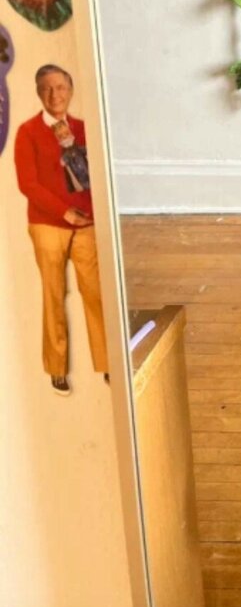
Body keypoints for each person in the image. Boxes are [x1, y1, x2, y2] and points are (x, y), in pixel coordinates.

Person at [14, 64, 108, 395]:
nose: (55, 95)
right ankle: (56, 368)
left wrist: (90, 214)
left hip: (87, 223)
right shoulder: (27, 132)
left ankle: (108, 362)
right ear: (39, 93)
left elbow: (96, 176)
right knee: (54, 294)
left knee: (96, 293)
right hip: (47, 223)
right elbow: (28, 184)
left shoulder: (84, 128)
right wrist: (64, 212)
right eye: (47, 88)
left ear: (71, 90)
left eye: (61, 87)